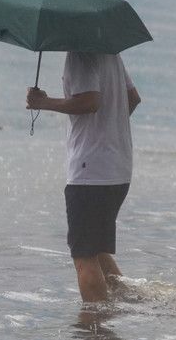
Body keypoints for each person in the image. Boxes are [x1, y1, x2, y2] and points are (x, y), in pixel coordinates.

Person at [26, 52, 141, 303]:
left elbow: (89, 102)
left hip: (91, 173)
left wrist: (43, 102)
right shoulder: (110, 51)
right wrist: (108, 130)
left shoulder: (80, 52)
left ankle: (95, 330)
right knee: (95, 248)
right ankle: (130, 301)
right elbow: (133, 98)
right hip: (117, 168)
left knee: (84, 256)